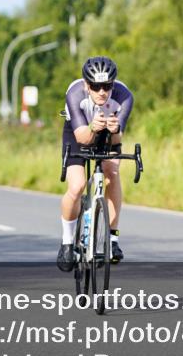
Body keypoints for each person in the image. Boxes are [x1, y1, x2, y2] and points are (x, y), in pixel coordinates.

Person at [56, 56, 134, 272]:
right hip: (79, 131)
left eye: (107, 86)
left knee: (112, 172)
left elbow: (118, 141)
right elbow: (82, 138)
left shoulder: (124, 96)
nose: (102, 91)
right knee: (77, 186)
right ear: (86, 85)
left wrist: (115, 129)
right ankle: (67, 242)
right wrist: (93, 127)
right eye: (96, 86)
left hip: (108, 133)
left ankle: (113, 239)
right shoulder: (75, 93)